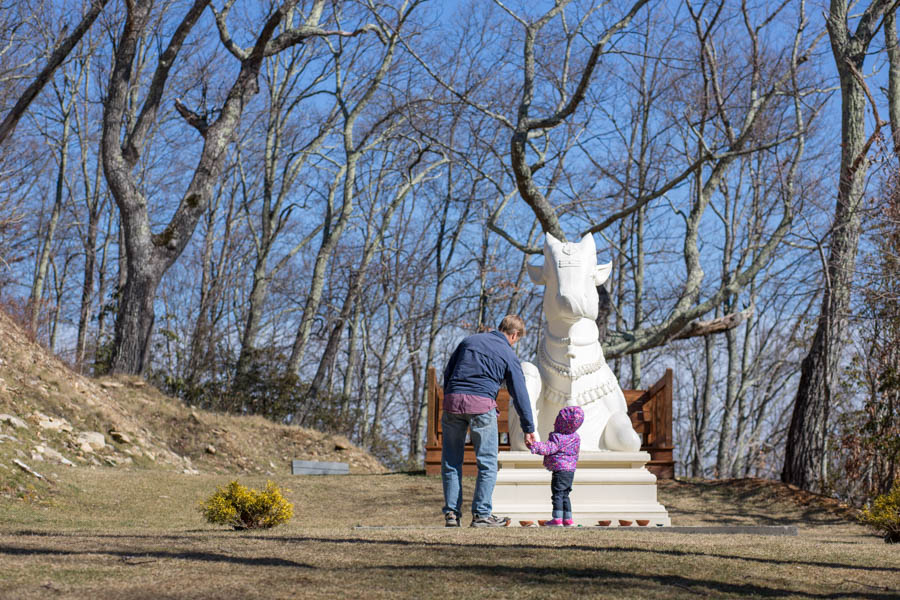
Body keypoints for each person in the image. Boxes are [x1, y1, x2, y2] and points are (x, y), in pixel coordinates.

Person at [441, 315, 537, 528]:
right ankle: (482, 515)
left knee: (451, 461)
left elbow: (448, 373)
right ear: (514, 335)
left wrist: (451, 396)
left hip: (453, 402)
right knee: (487, 462)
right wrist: (528, 427)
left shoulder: (469, 341)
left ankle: (451, 515)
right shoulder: (508, 354)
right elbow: (519, 393)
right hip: (481, 406)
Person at [529, 405, 584, 527]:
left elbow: (549, 448)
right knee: (565, 494)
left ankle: (557, 518)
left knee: (557, 494)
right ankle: (568, 519)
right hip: (570, 470)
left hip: (560, 470)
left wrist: (535, 446)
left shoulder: (558, 437)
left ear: (560, 422)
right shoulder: (576, 437)